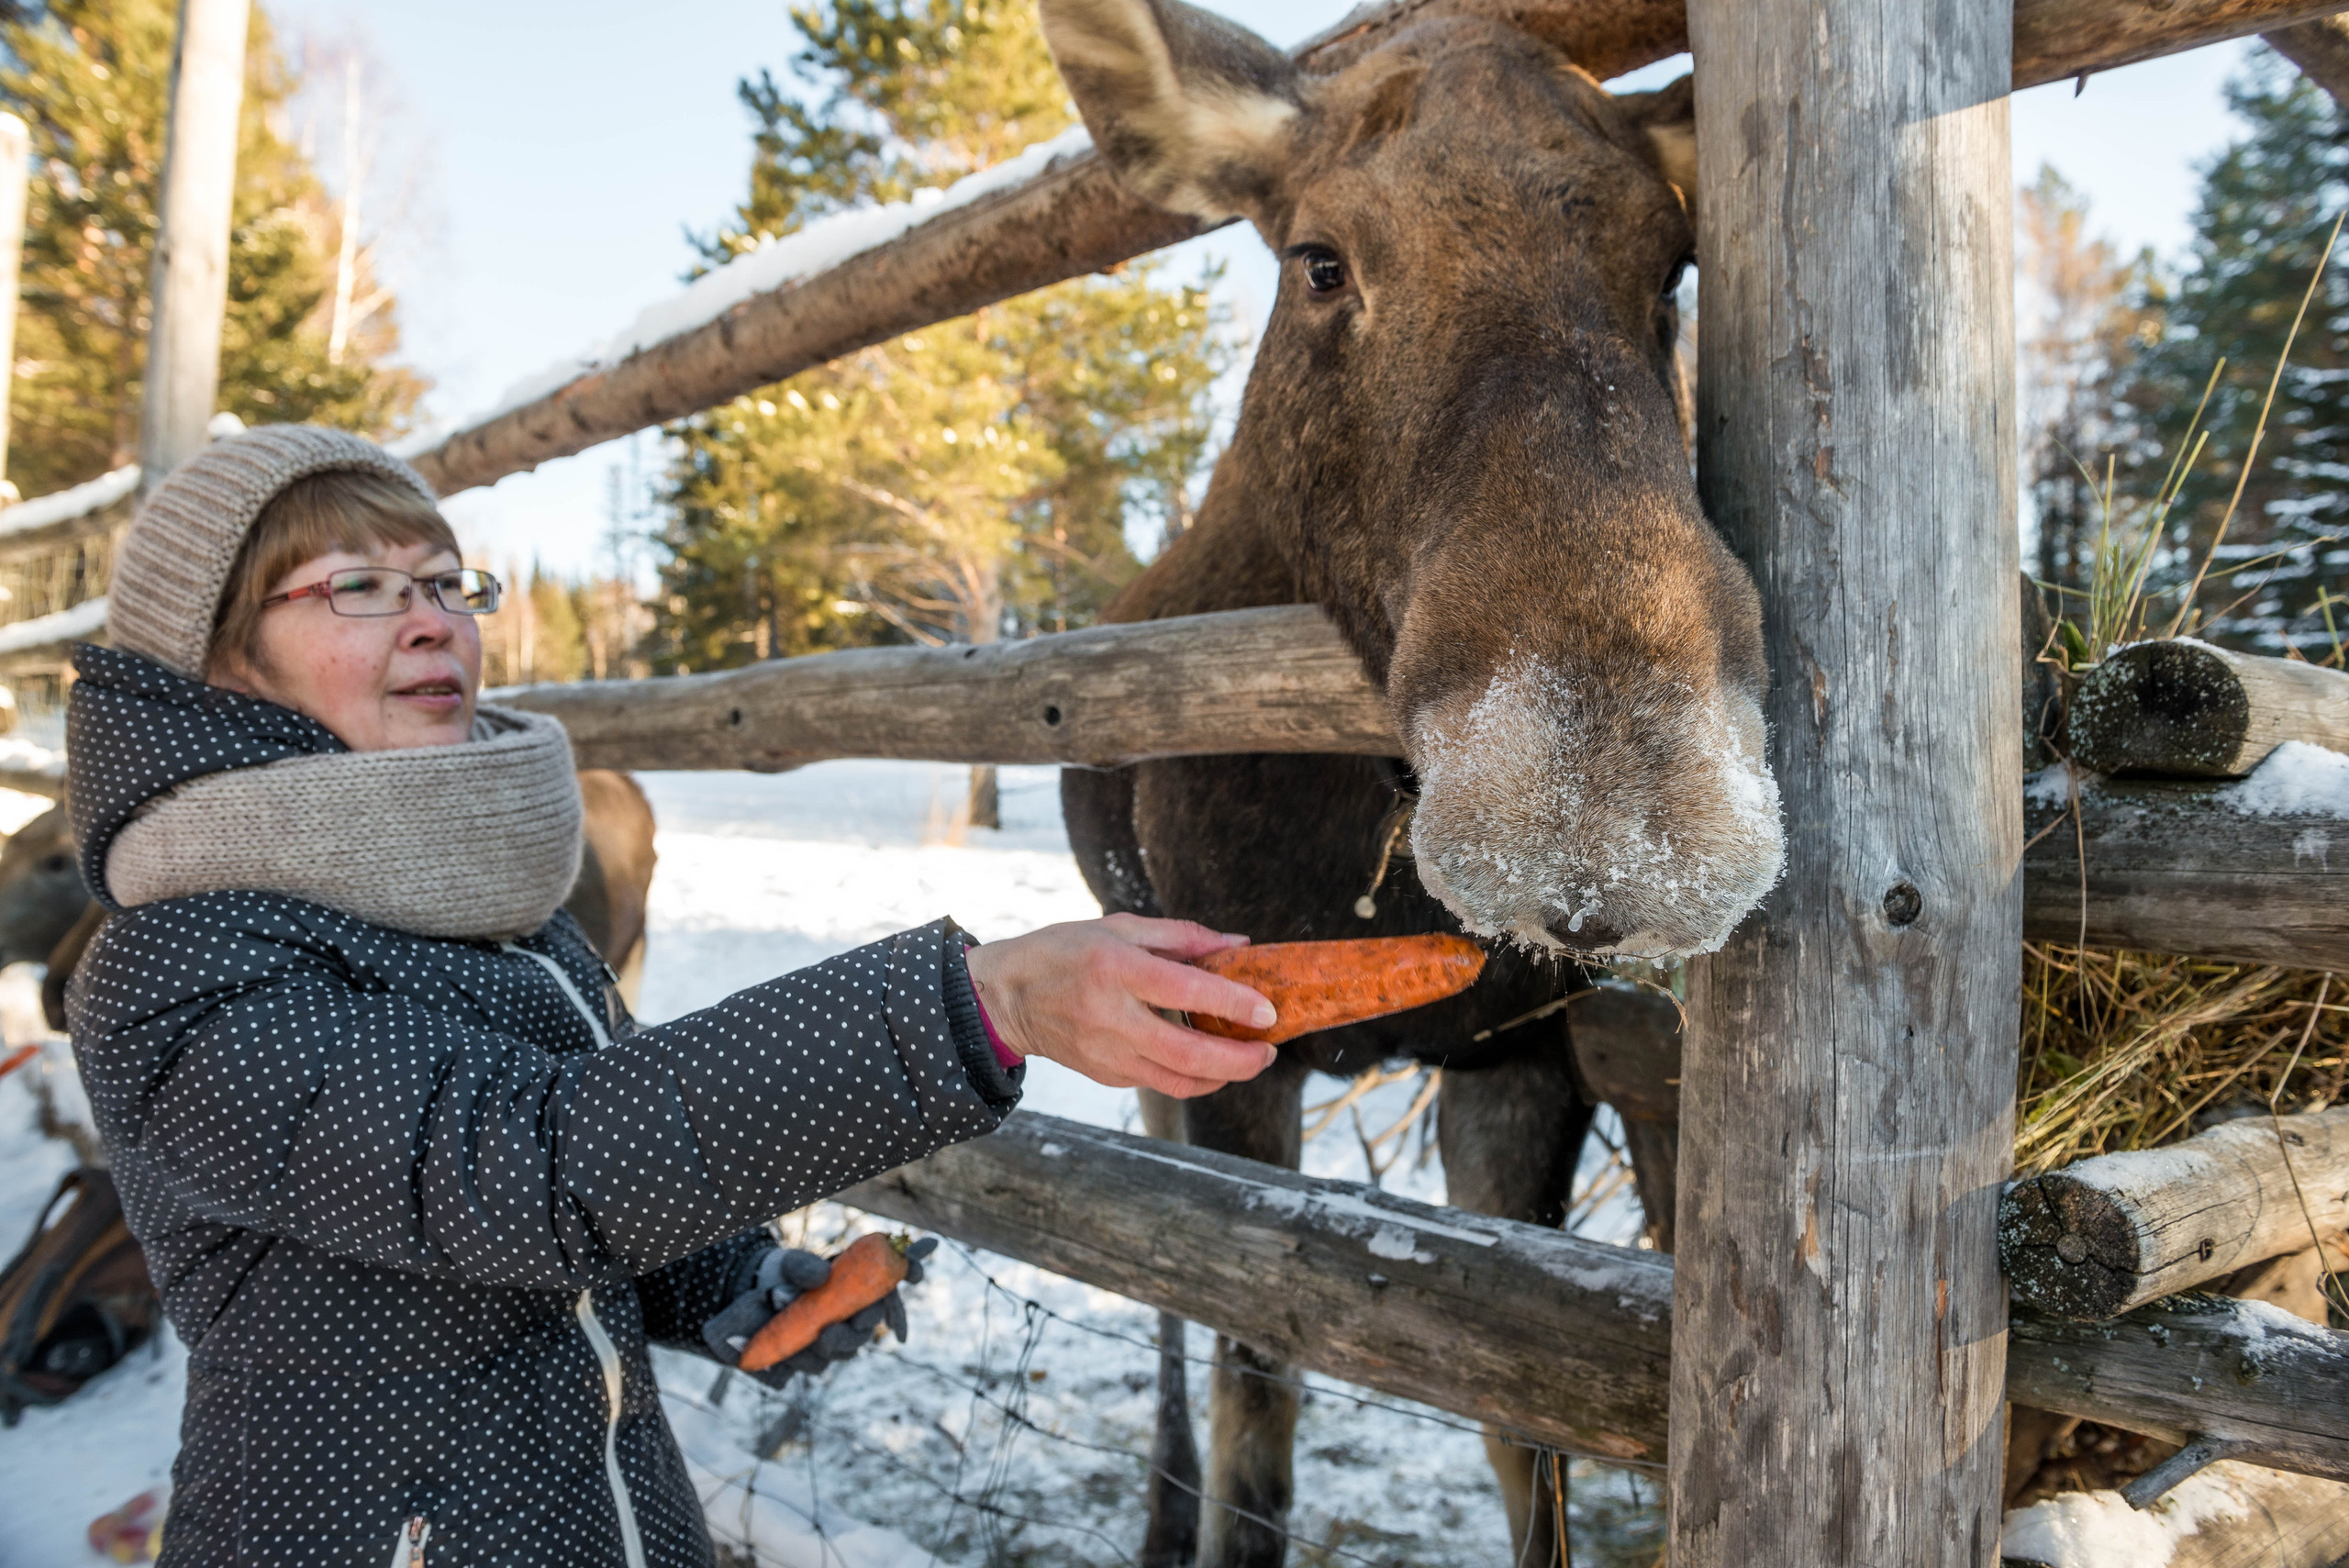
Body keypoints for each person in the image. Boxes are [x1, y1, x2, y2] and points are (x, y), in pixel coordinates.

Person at [65, 426, 1279, 1567]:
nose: (432, 621)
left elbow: (598, 1187)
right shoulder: (182, 970)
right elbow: (527, 1168)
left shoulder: (503, 918)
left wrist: (737, 1286)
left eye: (447, 583)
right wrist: (982, 999)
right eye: (358, 587)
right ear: (219, 659)